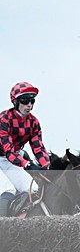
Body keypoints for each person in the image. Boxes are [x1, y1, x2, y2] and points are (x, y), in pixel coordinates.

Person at [0, 82, 51, 217]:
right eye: (25, 101)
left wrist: (47, 166)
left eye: (32, 101)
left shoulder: (34, 122)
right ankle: (3, 227)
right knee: (8, 190)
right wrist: (27, 164)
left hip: (8, 160)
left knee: (33, 189)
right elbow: (9, 151)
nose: (29, 105)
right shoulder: (4, 119)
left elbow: (38, 148)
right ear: (15, 102)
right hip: (8, 156)